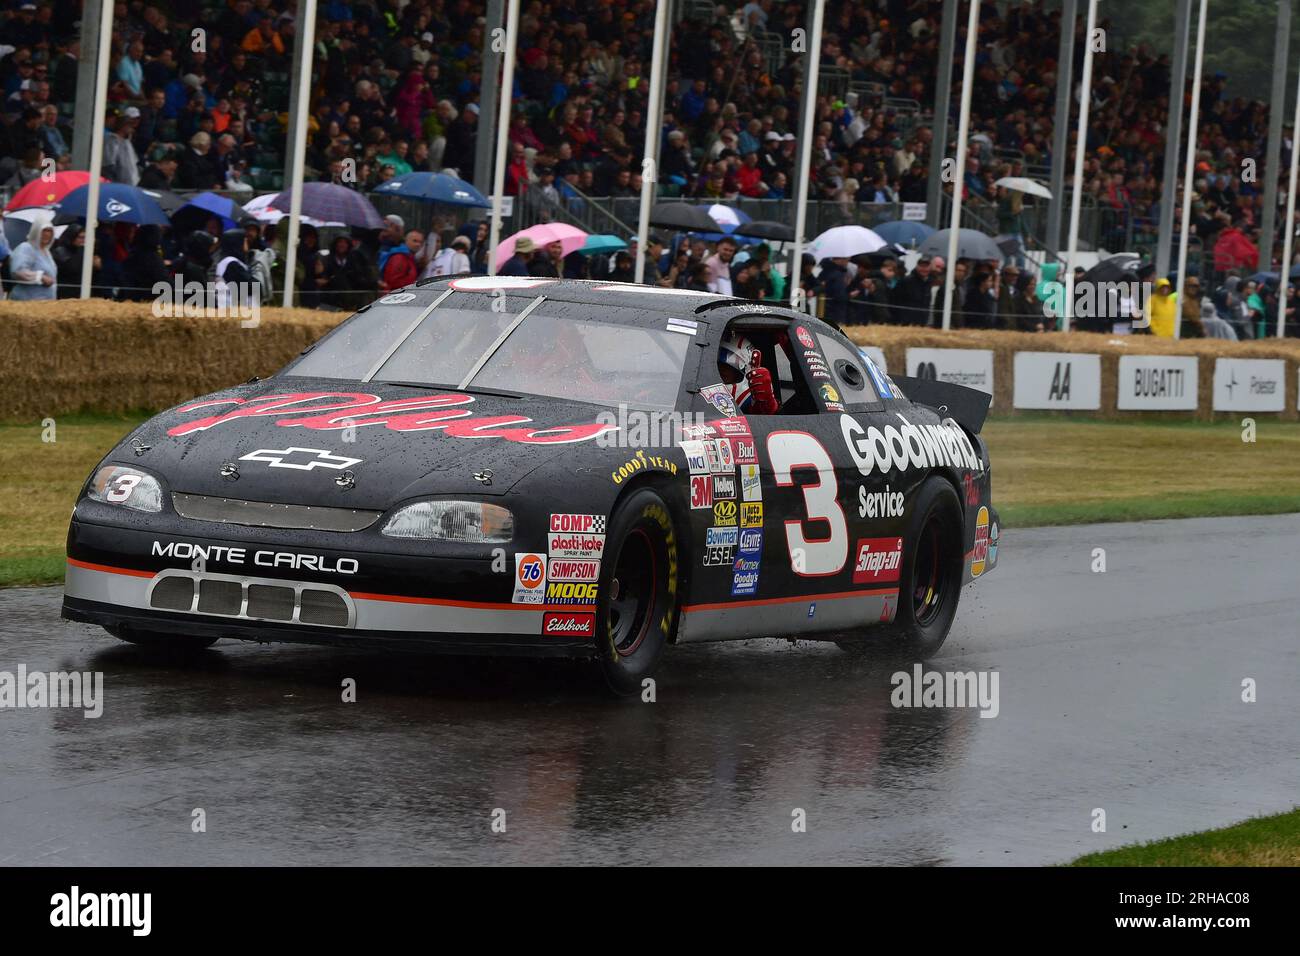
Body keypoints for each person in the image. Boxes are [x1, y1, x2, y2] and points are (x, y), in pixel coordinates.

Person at [716, 329, 779, 414]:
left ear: (746, 369)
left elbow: (763, 416)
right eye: (718, 363)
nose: (722, 368)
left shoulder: (751, 397)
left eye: (729, 365)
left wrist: (768, 404)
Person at [9, 215, 58, 300]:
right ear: (36, 231)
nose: (47, 234)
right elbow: (18, 271)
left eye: (50, 231)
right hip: (27, 301)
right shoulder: (26, 248)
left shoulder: (47, 252)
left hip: (45, 302)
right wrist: (41, 277)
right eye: (44, 230)